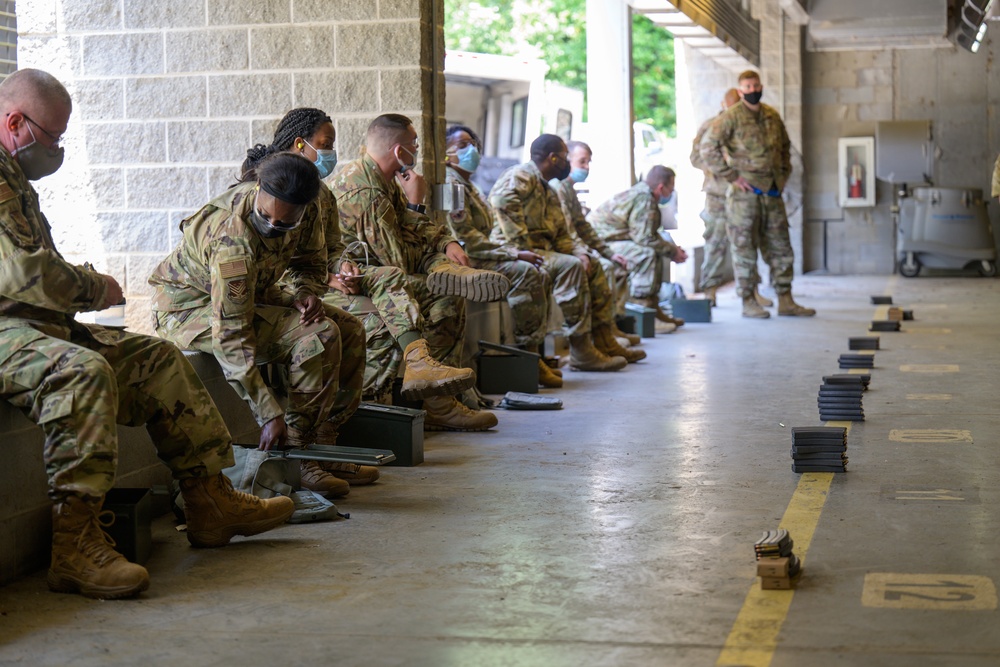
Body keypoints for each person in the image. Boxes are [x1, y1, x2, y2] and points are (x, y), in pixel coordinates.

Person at [0, 69, 294, 600]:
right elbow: (23, 275)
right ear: (14, 121)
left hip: (34, 326)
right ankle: (74, 545)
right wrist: (93, 286)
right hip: (6, 331)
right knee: (81, 373)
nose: (58, 150)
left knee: (158, 359)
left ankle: (209, 503)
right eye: (52, 138)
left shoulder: (15, 178)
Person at [150, 151, 377, 499]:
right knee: (316, 335)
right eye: (265, 217)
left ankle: (325, 444)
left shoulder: (308, 207)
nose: (273, 227)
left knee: (349, 327)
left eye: (285, 224)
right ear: (258, 188)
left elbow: (312, 265)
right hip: (189, 308)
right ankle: (300, 455)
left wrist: (304, 293)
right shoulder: (232, 239)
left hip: (254, 291)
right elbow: (231, 337)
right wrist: (268, 413)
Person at [256, 110, 477, 408]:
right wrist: (326, 276)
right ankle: (377, 410)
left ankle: (432, 389)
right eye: (325, 144)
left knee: (427, 291)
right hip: (299, 290)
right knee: (385, 312)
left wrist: (338, 265)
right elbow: (398, 259)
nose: (331, 153)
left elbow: (331, 247)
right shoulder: (285, 189)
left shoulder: (323, 192)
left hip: (342, 277)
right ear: (299, 145)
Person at [328, 113, 504, 431]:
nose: (417, 149)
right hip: (359, 282)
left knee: (448, 294)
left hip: (383, 273)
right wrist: (416, 203)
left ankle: (439, 402)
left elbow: (412, 231)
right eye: (414, 144)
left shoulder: (383, 178)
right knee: (441, 288)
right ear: (399, 151)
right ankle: (433, 394)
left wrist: (446, 240)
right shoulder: (364, 193)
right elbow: (397, 261)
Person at [489, 134, 627, 372]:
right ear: (553, 158)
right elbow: (501, 201)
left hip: (539, 251)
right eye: (565, 158)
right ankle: (579, 349)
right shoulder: (521, 176)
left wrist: (580, 252)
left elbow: (562, 234)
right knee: (569, 266)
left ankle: (600, 340)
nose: (567, 164)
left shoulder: (548, 190)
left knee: (587, 263)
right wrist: (522, 247)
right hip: (512, 252)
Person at [443, 124, 563, 388]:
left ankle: (534, 354)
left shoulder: (468, 185)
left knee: (540, 272)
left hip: (480, 252)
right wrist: (513, 252)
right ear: (445, 152)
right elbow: (466, 238)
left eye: (473, 143)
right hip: (466, 257)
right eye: (462, 145)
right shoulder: (452, 185)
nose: (471, 150)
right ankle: (528, 355)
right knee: (526, 272)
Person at [699, 70, 815, 318]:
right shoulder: (730, 117)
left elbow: (785, 148)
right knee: (744, 248)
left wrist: (782, 175)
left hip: (772, 193)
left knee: (781, 246)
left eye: (755, 86)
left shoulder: (771, 115)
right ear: (740, 91)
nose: (752, 90)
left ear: (761, 86)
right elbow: (707, 148)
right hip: (744, 196)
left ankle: (786, 299)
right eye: (747, 87)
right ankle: (748, 301)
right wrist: (732, 176)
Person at [551, 141, 649, 358]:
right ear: (567, 160)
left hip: (572, 246)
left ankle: (607, 330)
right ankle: (596, 339)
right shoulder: (558, 188)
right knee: (600, 266)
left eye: (588, 162)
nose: (586, 167)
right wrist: (584, 253)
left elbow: (583, 227)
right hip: (561, 248)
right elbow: (567, 231)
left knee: (610, 262)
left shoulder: (567, 188)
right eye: (581, 161)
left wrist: (608, 252)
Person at [587, 166, 689, 327]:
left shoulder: (645, 195)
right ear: (661, 187)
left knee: (653, 251)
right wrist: (672, 251)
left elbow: (648, 233)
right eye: (671, 188)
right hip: (598, 244)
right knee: (645, 254)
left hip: (611, 240)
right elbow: (644, 238)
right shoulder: (644, 198)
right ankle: (643, 309)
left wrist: (672, 249)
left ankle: (653, 306)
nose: (672, 193)